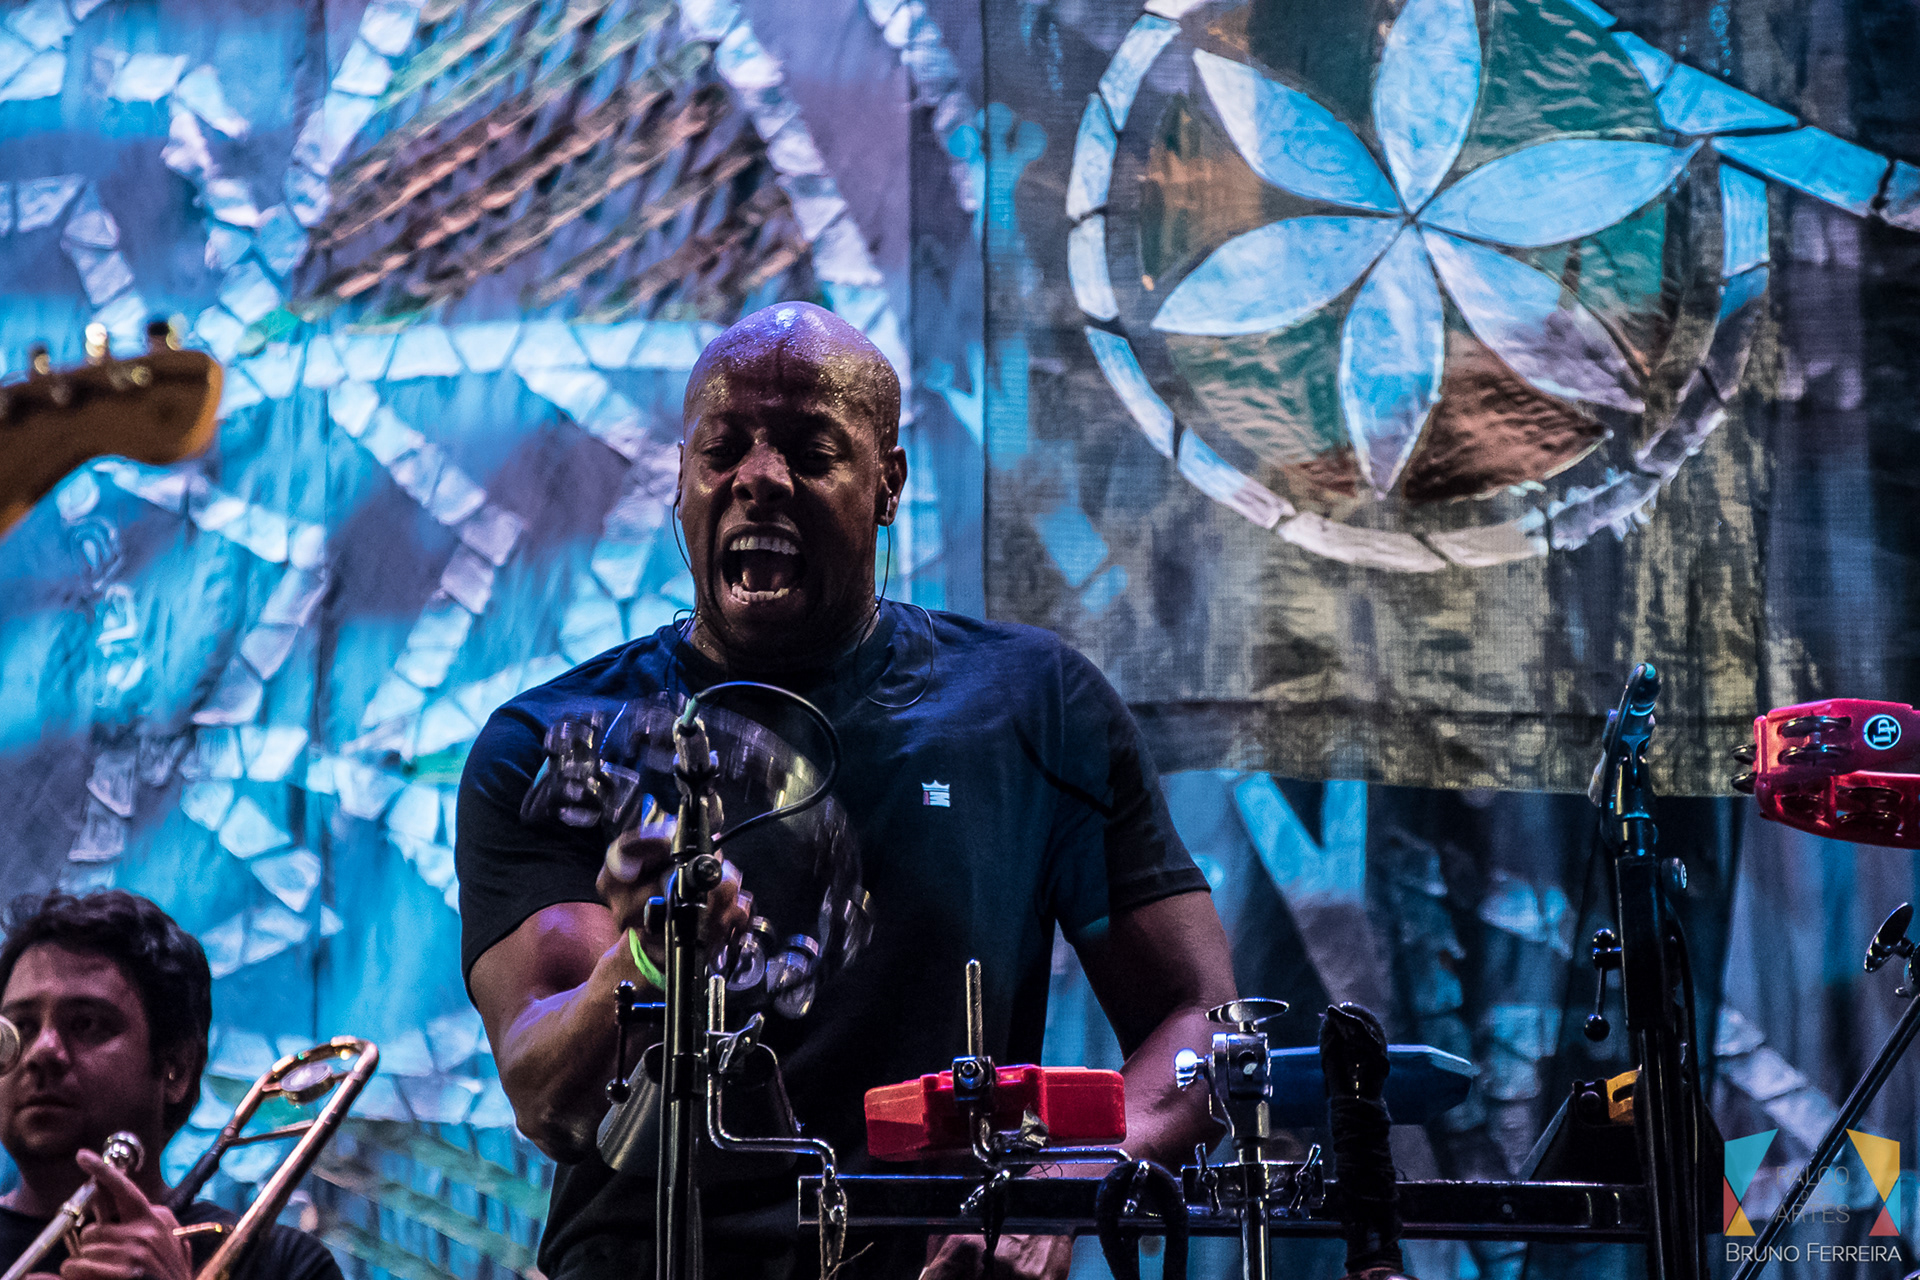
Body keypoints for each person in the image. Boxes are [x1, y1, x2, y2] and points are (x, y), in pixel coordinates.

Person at [458, 301, 1239, 1279]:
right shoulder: (555, 747)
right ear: (681, 484)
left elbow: (1204, 1022)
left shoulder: (1037, 708)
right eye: (723, 451)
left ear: (888, 484)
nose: (758, 478)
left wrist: (1073, 1176)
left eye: (810, 450)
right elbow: (550, 1099)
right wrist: (652, 959)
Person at [0, 890, 342, 1280]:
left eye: (86, 1024)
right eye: (20, 1027)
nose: (41, 1052)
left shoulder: (287, 1266)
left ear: (176, 1068)